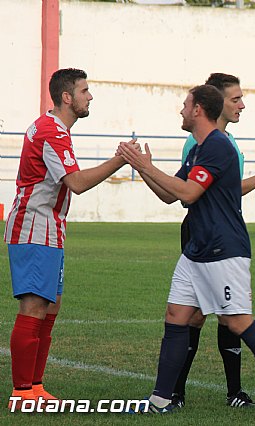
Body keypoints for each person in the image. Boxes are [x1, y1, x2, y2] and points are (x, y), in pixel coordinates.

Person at [119, 85, 255, 419]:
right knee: (176, 317)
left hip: (223, 249)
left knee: (237, 321)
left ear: (199, 110)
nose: (181, 110)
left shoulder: (218, 146)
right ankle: (161, 399)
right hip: (196, 250)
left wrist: (145, 167)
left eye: (185, 105)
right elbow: (169, 195)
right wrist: (145, 167)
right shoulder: (198, 149)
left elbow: (189, 193)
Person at [3, 68, 136, 408]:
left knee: (50, 307)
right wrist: (120, 159)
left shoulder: (54, 128)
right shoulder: (51, 131)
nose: (89, 97)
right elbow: (76, 182)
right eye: (84, 91)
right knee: (34, 306)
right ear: (67, 97)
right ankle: (22, 392)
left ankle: (35, 385)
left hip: (50, 228)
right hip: (34, 226)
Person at [173, 73, 255, 409]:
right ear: (215, 102)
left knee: (228, 314)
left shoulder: (226, 140)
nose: (242, 104)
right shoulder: (201, 141)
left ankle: (233, 391)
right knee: (195, 316)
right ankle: (174, 392)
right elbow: (191, 193)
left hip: (223, 232)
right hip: (204, 233)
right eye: (235, 99)